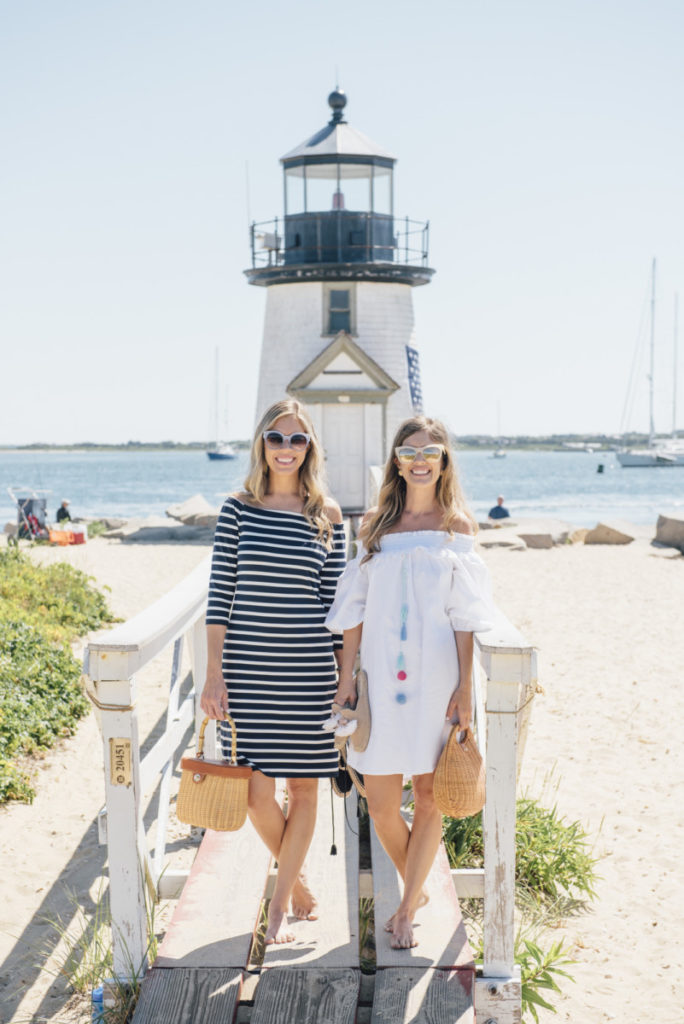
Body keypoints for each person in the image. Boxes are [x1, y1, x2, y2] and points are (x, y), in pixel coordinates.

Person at [325, 416, 494, 949]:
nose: (420, 460)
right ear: (396, 460)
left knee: (428, 793)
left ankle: (404, 909)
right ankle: (419, 889)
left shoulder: (458, 526)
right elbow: (352, 608)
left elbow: (466, 617)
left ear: (444, 459)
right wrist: (346, 677)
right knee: (378, 799)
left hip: (439, 678)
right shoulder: (375, 524)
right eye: (409, 451)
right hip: (379, 676)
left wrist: (466, 687)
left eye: (431, 450)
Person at [201, 398, 346, 945]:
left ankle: (281, 906)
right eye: (276, 438)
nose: (286, 448)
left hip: (308, 671)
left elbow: (335, 606)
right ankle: (299, 883)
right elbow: (220, 595)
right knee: (256, 795)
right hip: (249, 670)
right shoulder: (237, 508)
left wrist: (345, 680)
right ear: (261, 443)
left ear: (311, 448)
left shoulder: (327, 515)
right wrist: (214, 675)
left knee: (304, 791)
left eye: (298, 439)